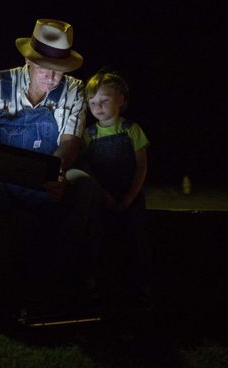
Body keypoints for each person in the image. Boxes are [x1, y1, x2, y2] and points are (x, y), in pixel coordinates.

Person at [0, 19, 101, 317]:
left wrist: (57, 171)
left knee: (82, 184)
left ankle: (65, 290)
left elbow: (70, 140)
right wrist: (1, 162)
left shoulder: (74, 90)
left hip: (48, 171)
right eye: (46, 68)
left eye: (60, 70)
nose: (54, 78)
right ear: (28, 60)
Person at [80, 69, 151, 310]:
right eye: (92, 102)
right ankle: (99, 290)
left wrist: (130, 196)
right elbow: (87, 169)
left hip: (131, 197)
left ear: (121, 100)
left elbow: (141, 166)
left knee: (135, 243)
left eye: (104, 100)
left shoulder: (132, 130)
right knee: (99, 241)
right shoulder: (88, 136)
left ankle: (138, 292)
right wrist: (103, 196)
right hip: (102, 198)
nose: (97, 107)